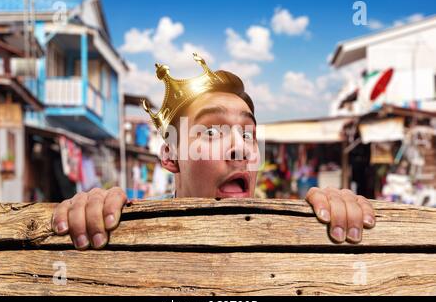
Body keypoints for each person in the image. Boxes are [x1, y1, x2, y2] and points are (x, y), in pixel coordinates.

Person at [51, 53, 375, 250]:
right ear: (170, 156)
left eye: (248, 133)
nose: (239, 149)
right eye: (210, 131)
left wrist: (339, 214)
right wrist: (86, 214)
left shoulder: (290, 231)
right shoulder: (128, 232)